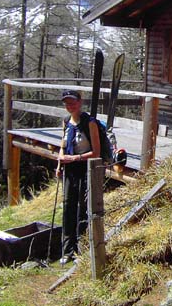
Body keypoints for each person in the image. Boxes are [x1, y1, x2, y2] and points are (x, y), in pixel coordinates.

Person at [56, 89, 101, 264]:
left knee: (82, 208)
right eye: (67, 102)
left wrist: (74, 158)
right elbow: (63, 145)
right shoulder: (66, 122)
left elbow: (96, 152)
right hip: (69, 170)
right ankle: (67, 251)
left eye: (73, 102)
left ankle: (82, 249)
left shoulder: (90, 123)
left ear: (80, 102)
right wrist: (60, 163)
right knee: (68, 208)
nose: (70, 105)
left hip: (85, 169)